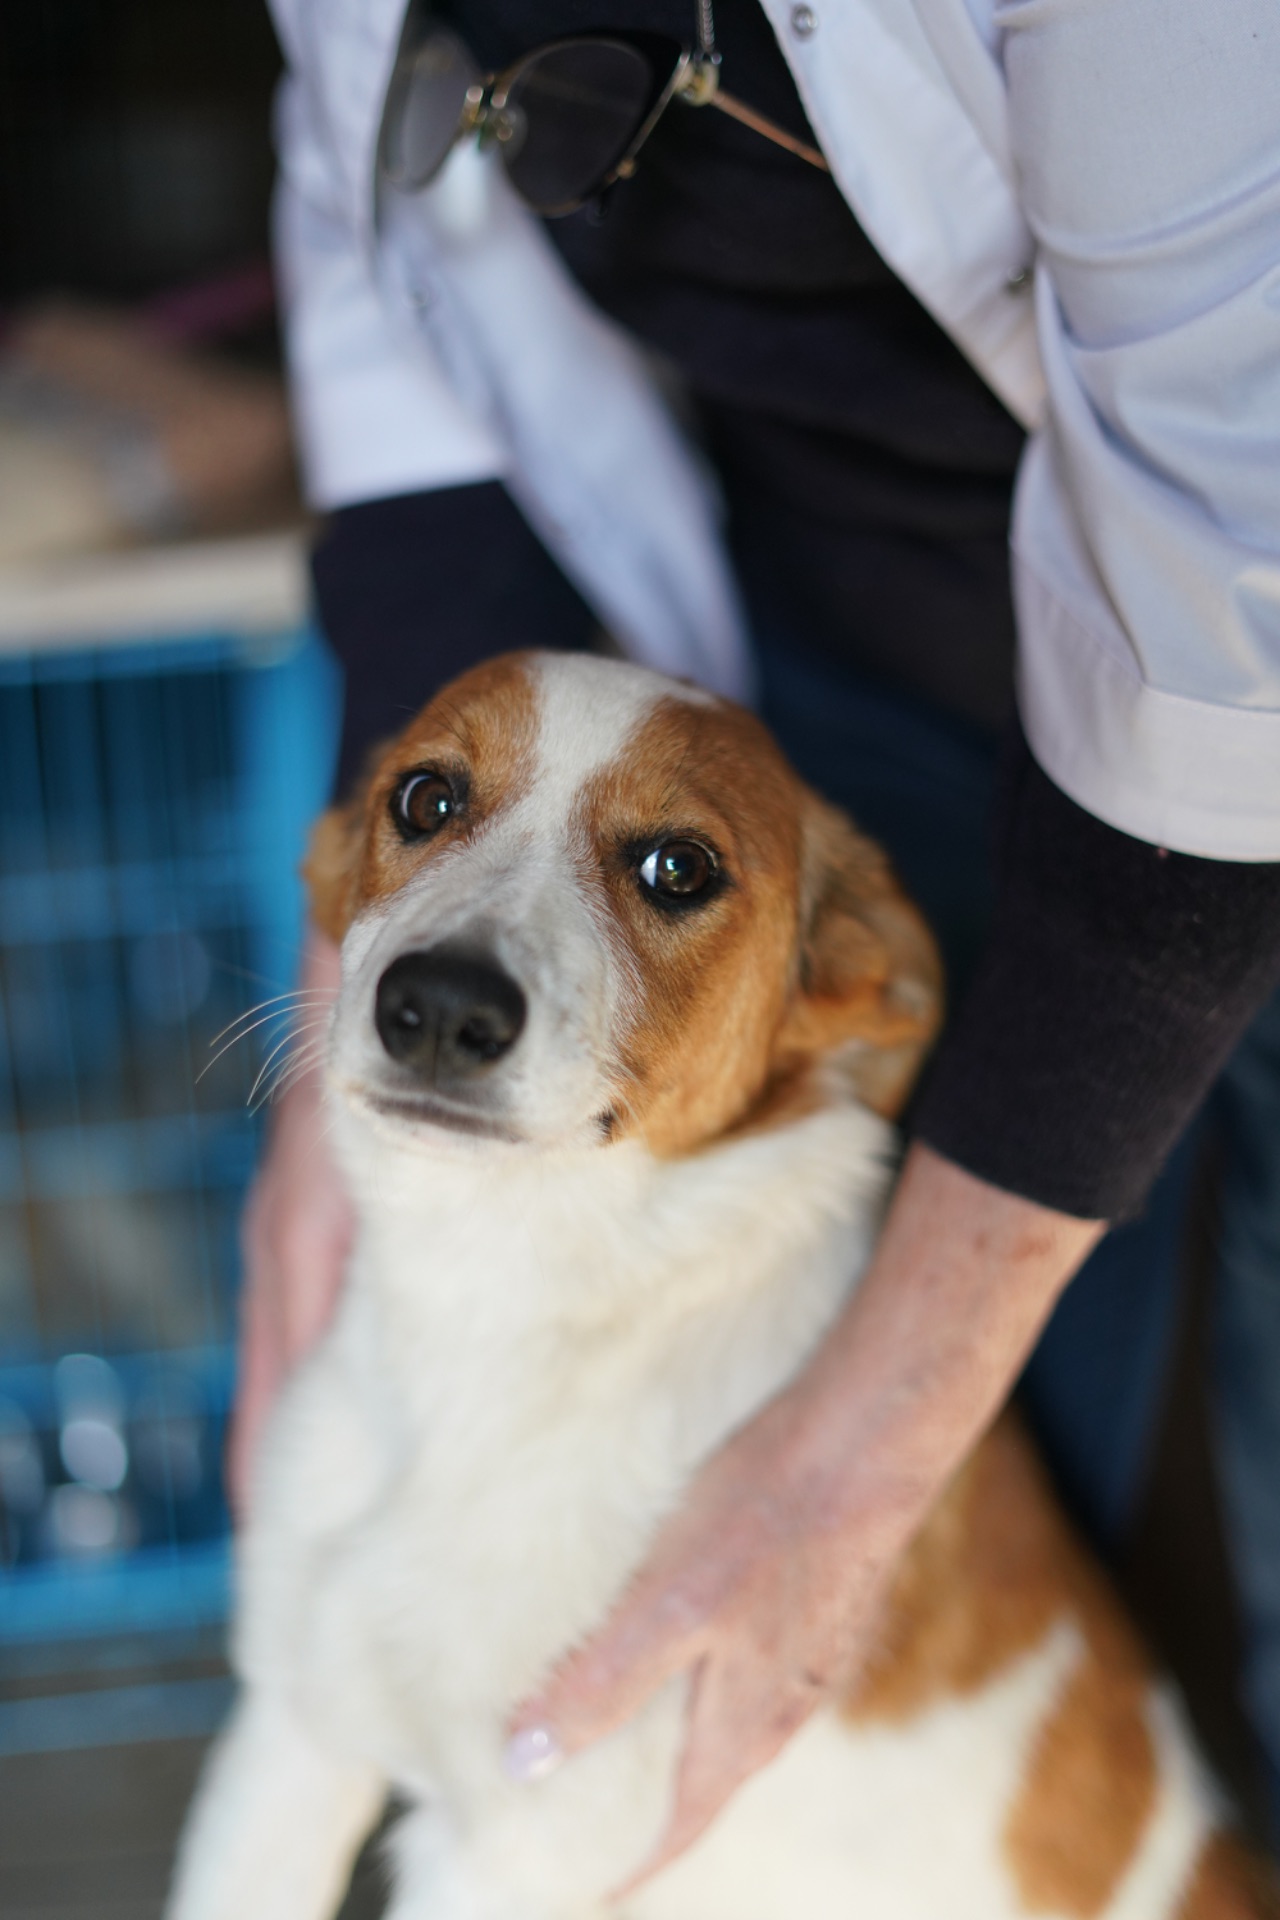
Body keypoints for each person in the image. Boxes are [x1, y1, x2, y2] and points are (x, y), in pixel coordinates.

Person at [240, 0, 1280, 1864]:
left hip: (1233, 592)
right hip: (870, 627)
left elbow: (1238, 573)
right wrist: (352, 993)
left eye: (666, 879)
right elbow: (385, 283)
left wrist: (870, 1448)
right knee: (1038, 1465)